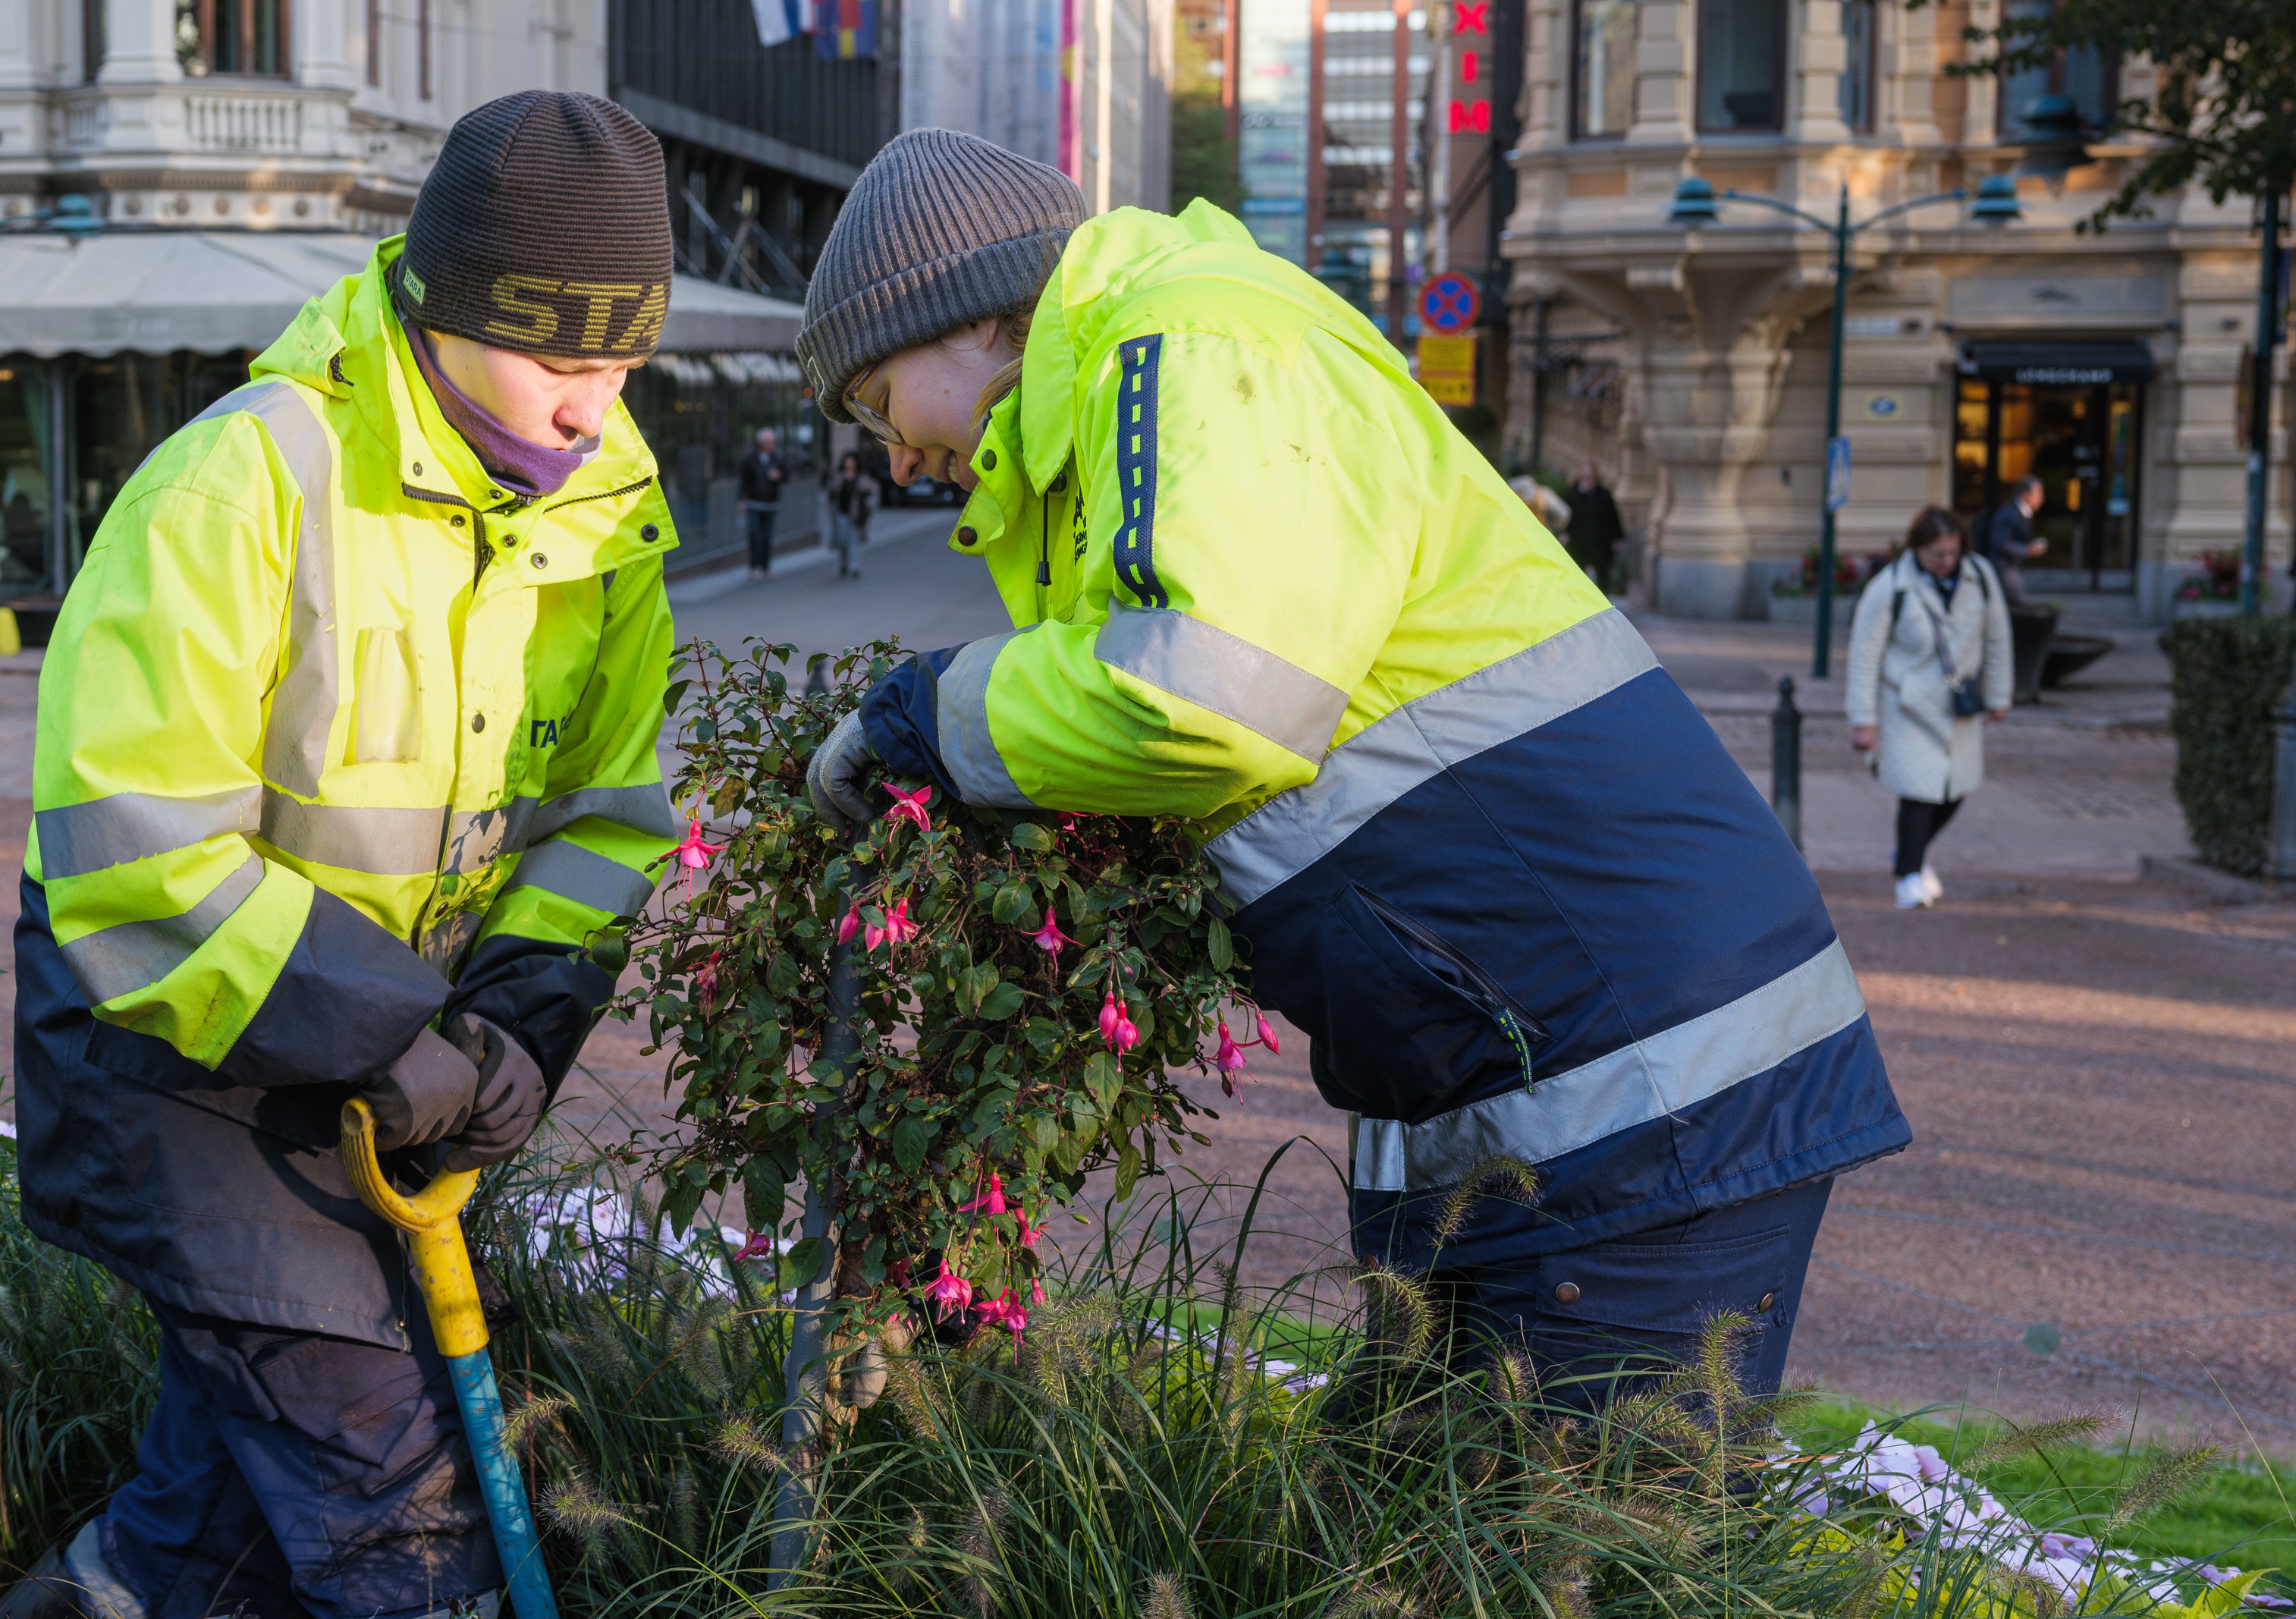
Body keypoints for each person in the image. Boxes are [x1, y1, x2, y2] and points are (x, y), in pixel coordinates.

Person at [795, 130, 1905, 1412]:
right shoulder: (1135, 387)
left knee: (1577, 1581)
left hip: (1634, 1092)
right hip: (1539, 1083)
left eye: (878, 404)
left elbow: (1205, 692)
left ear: (970, 319)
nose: (890, 458)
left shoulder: (1193, 346)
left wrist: (928, 715)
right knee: (1409, 1573)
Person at [0, 90, 682, 1619]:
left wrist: (516, 1025)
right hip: (174, 1052)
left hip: (391, 1064)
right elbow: (135, 859)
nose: (592, 406)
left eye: (620, 364)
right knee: (394, 1492)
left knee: (212, 1511)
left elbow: (606, 817)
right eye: (558, 359)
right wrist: (394, 1034)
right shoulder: (247, 483)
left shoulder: (605, 528)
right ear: (443, 311)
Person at [1847, 505, 2010, 910]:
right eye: (1937, 554)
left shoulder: (1981, 578)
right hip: (1907, 705)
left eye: (1952, 552)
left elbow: (1997, 638)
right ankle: (1909, 876)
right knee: (1917, 794)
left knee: (1955, 792)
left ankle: (1910, 856)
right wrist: (1863, 720)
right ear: (1916, 549)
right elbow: (1865, 653)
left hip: (1959, 705)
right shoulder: (1891, 587)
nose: (1946, 562)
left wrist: (1999, 695)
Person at [1563, 465, 1625, 594]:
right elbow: (1566, 518)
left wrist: (1617, 537)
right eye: (1586, 478)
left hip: (1601, 542)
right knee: (1579, 572)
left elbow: (1613, 517)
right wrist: (1565, 533)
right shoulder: (1573, 496)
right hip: (1579, 542)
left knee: (1603, 573)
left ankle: (1604, 599)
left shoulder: (1603, 495)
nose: (1589, 481)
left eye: (1591, 477)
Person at [738, 426, 789, 577]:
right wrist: (741, 499)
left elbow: (787, 476)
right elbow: (744, 481)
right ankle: (754, 566)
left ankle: (766, 566)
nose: (770, 445)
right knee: (754, 534)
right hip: (754, 503)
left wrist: (778, 476)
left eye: (771, 442)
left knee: (767, 536)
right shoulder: (751, 459)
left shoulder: (778, 459)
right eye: (767, 442)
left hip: (771, 503)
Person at [1983, 474, 2046, 591]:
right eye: (2038, 494)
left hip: (2010, 567)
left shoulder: (2021, 512)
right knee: (2015, 600)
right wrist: (2027, 550)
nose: (2041, 498)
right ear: (2026, 495)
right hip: (2003, 567)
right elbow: (2000, 543)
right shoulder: (2010, 514)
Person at [824, 447, 876, 580]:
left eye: (852, 461)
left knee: (854, 540)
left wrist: (869, 510)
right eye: (847, 461)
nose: (849, 463)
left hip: (856, 514)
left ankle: (855, 566)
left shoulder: (862, 478)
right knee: (842, 539)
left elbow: (870, 496)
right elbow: (831, 494)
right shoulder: (838, 477)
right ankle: (844, 563)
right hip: (841, 513)